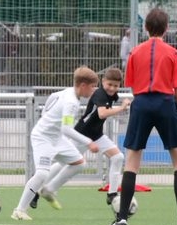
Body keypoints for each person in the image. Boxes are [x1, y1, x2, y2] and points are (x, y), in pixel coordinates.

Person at [108, 7, 177, 225]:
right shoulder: (174, 53)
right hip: (165, 103)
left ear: (145, 28)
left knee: (132, 162)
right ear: (167, 28)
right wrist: (169, 102)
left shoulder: (135, 52)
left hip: (141, 103)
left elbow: (132, 86)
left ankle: (121, 219)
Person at [9, 67, 95, 220]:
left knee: (80, 163)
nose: (93, 90)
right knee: (42, 173)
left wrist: (45, 115)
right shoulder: (71, 103)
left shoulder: (68, 91)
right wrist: (88, 142)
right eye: (92, 86)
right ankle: (19, 210)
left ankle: (49, 189)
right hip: (43, 138)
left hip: (57, 138)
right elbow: (66, 129)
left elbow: (52, 97)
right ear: (83, 85)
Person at [40, 66, 131, 209]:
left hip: (97, 135)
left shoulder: (112, 95)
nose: (112, 88)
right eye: (109, 84)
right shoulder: (100, 94)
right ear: (103, 81)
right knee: (65, 163)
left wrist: (126, 103)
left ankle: (112, 194)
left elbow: (107, 107)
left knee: (118, 157)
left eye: (116, 85)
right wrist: (122, 108)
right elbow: (102, 113)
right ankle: (41, 188)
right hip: (82, 134)